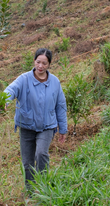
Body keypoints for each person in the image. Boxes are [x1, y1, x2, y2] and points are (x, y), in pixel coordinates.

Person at [4, 47, 67, 190]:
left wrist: (62, 129)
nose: (40, 66)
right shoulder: (24, 79)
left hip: (47, 126)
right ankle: (31, 191)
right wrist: (4, 101)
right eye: (38, 62)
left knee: (41, 153)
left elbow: (61, 106)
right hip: (27, 127)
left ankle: (43, 186)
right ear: (34, 61)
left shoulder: (55, 82)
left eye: (44, 63)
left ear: (49, 64)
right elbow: (11, 90)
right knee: (27, 163)